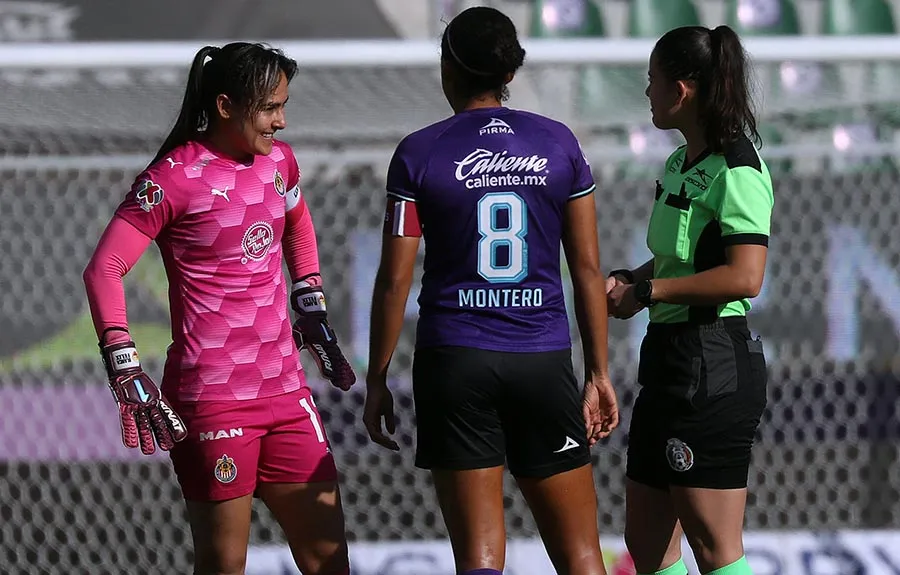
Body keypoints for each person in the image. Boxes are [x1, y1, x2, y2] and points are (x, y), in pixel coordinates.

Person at [82, 42, 356, 575]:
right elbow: (104, 269)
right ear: (226, 106)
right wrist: (124, 365)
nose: (281, 121)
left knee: (330, 563)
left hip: (288, 395)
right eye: (270, 108)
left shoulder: (280, 161)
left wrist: (310, 302)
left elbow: (298, 224)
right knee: (224, 565)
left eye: (283, 106)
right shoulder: (171, 178)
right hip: (214, 401)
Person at [362, 7, 618, 575]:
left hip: (455, 362)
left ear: (448, 68)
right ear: (509, 73)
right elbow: (587, 269)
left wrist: (377, 377)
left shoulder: (419, 152)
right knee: (581, 555)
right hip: (541, 360)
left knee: (478, 557)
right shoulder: (558, 143)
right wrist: (598, 372)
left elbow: (394, 280)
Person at [606, 25, 773, 575]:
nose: (646, 92)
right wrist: (631, 279)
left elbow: (745, 277)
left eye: (651, 80)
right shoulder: (680, 163)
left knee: (713, 543)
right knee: (646, 539)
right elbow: (680, 258)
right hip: (668, 359)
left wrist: (648, 292)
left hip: (712, 363)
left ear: (681, 90)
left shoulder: (739, 169)